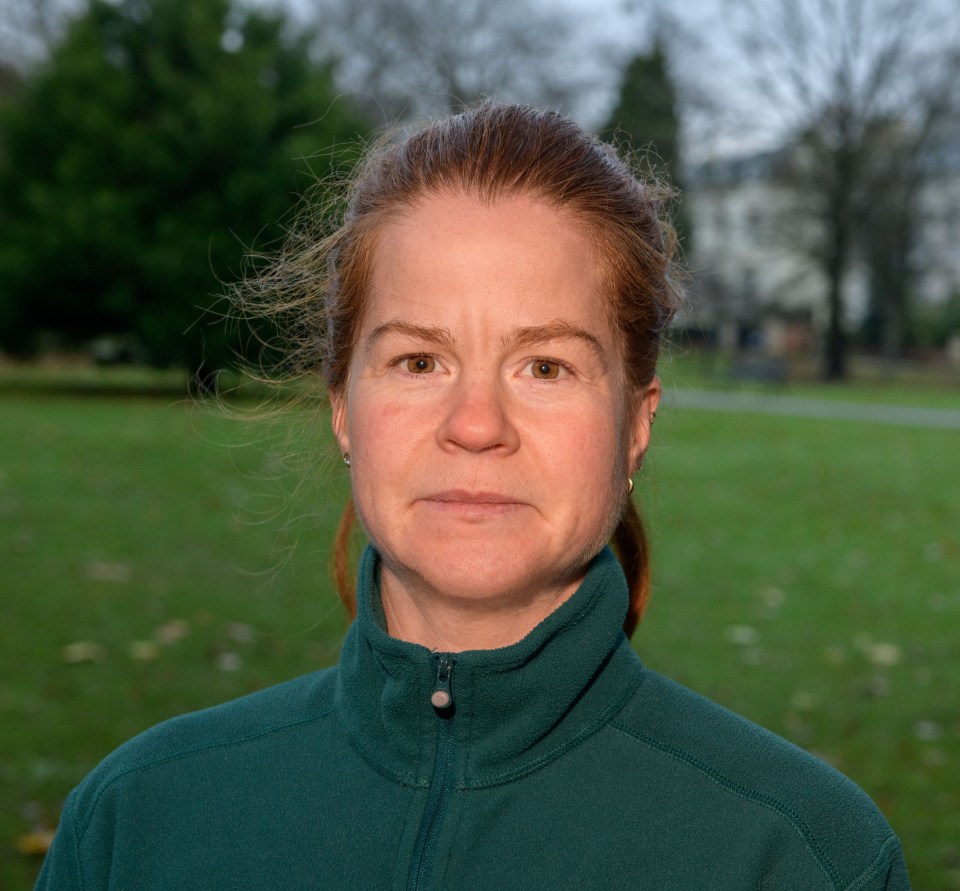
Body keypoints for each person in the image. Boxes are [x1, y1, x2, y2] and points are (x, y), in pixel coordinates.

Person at [36, 103, 909, 889]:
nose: (477, 423)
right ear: (344, 408)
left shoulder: (801, 855)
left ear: (635, 423)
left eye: (545, 365)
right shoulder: (133, 824)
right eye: (420, 360)